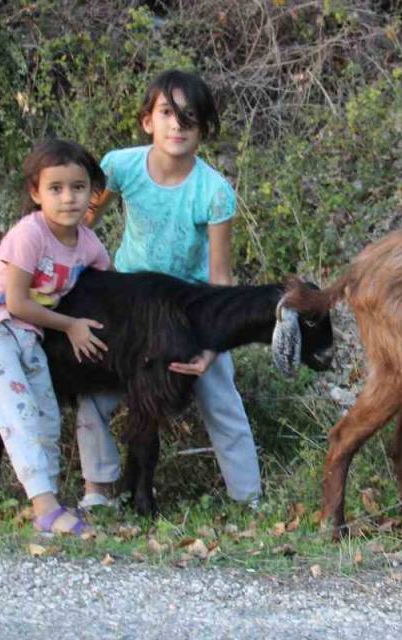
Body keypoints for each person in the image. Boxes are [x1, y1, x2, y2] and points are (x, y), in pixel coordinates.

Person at [78, 69, 260, 509]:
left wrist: (214, 349)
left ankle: (249, 499)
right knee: (93, 391)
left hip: (188, 310)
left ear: (203, 129)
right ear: (147, 121)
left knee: (220, 396)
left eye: (189, 117)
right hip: (129, 303)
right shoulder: (120, 166)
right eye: (167, 113)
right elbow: (79, 227)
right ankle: (98, 491)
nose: (177, 125)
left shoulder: (213, 190)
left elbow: (220, 279)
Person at [0, 138, 115, 535]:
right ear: (36, 193)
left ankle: (50, 502)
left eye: (78, 188)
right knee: (21, 414)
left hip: (31, 334)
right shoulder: (29, 234)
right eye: (56, 189)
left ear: (93, 193)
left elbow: (113, 290)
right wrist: (71, 326)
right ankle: (46, 510)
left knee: (47, 417)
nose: (68, 199)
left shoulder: (89, 245)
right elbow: (16, 302)